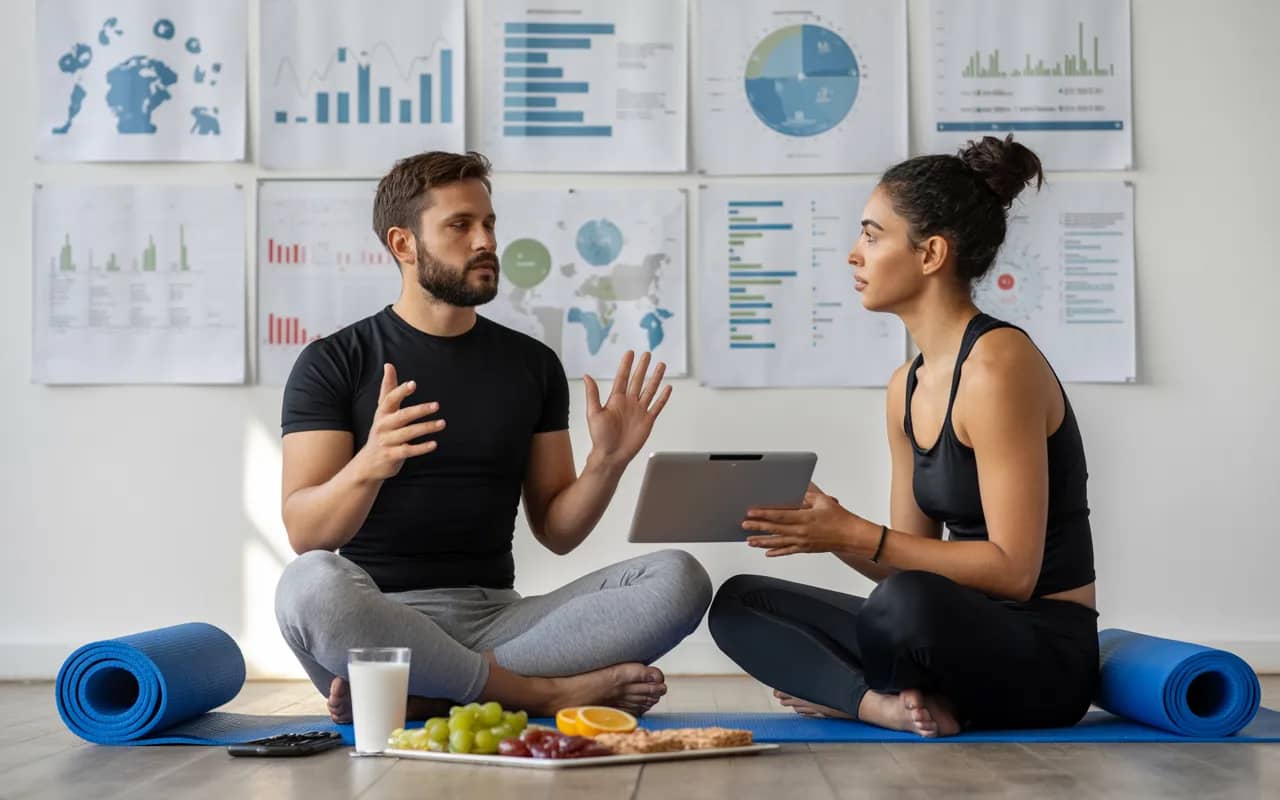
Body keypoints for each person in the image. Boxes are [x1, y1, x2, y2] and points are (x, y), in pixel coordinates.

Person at [273, 151, 711, 723]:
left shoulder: (531, 365)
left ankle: (432, 694)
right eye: (460, 225)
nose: (485, 241)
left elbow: (557, 530)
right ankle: (536, 694)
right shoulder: (334, 362)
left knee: (680, 578)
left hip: (501, 620)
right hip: (378, 614)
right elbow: (308, 535)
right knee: (308, 586)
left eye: (489, 224)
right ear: (404, 245)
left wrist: (608, 461)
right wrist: (370, 463)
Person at [708, 135, 1098, 737]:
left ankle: (845, 687)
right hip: (945, 629)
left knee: (903, 608)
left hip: (1042, 650)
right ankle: (878, 705)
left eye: (871, 234)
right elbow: (900, 559)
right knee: (740, 603)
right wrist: (829, 531)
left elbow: (1015, 571)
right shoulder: (906, 386)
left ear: (930, 254)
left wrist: (856, 533)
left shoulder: (998, 367)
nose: (853, 255)